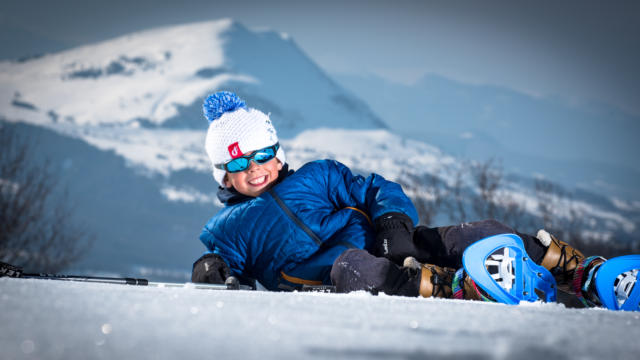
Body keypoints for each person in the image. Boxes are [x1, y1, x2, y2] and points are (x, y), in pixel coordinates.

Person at [191, 91, 621, 308]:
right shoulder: (228, 227)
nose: (255, 168)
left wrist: (393, 227)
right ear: (223, 176)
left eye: (262, 154)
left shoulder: (319, 176)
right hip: (339, 279)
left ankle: (579, 273)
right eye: (240, 163)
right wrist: (210, 269)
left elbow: (377, 189)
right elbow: (226, 268)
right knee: (351, 266)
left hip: (395, 248)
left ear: (277, 152)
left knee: (477, 234)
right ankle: (458, 289)